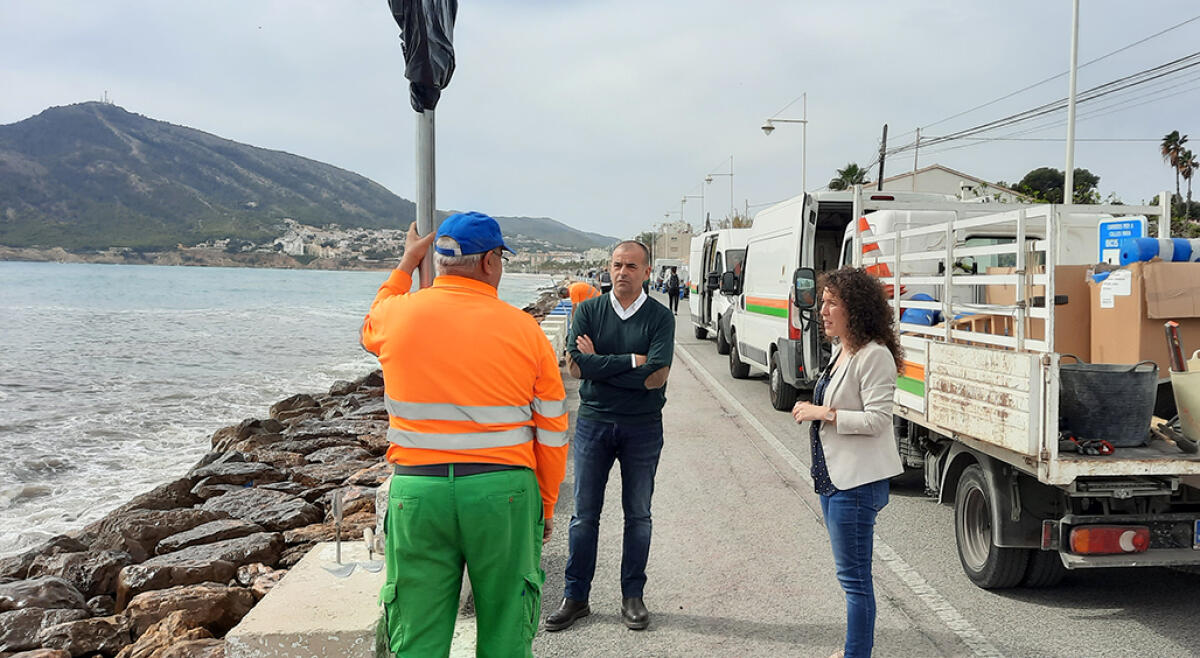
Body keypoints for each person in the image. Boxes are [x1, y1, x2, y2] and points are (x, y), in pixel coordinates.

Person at [360, 211, 570, 657]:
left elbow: (370, 323)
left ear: (438, 262)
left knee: (415, 634)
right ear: (491, 261)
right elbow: (552, 431)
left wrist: (404, 264)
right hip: (504, 494)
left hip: (417, 493)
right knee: (507, 631)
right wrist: (546, 505)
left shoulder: (396, 316)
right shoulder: (525, 330)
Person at [546, 240, 674, 633]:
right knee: (584, 516)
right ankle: (576, 597)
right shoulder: (588, 310)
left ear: (647, 272)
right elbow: (575, 369)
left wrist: (600, 363)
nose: (622, 272)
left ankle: (632, 596)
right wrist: (630, 361)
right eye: (617, 265)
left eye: (632, 266)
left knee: (639, 515)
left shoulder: (659, 318)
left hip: (642, 427)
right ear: (609, 267)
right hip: (593, 423)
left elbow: (657, 377)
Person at [790, 267, 904, 658]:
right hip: (833, 480)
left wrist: (824, 412)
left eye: (831, 303)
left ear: (853, 309)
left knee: (855, 580)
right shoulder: (844, 351)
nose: (822, 310)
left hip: (855, 485)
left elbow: (878, 421)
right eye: (822, 302)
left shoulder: (874, 356)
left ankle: (858, 654)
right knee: (850, 578)